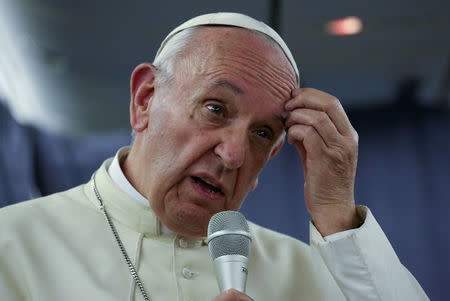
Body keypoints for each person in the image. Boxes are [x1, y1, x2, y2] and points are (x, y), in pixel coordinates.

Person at [0, 12, 428, 301]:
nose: (235, 153)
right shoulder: (12, 243)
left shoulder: (305, 273)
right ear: (145, 99)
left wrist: (337, 213)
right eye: (216, 109)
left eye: (263, 133)